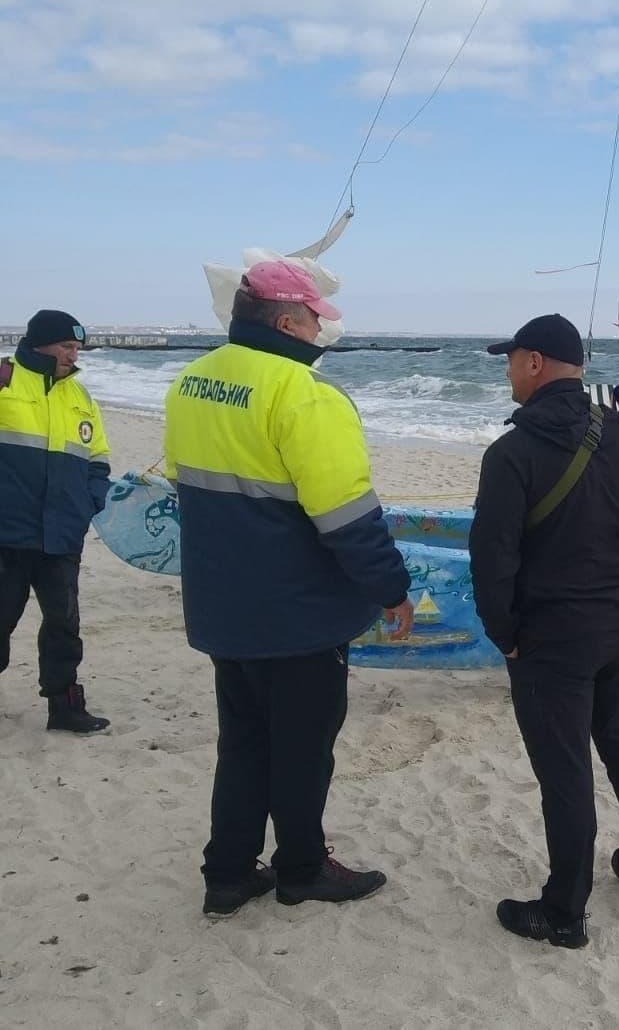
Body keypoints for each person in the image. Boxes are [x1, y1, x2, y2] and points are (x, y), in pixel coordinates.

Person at [163, 260, 415, 918]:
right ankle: (302, 868)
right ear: (285, 322)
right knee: (302, 751)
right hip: (298, 614)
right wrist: (392, 588)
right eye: (314, 321)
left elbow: (190, 488)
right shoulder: (304, 394)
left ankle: (227, 874)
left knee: (243, 743)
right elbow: (347, 515)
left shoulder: (192, 383)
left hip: (224, 605)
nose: (320, 333)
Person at [469, 313, 619, 950]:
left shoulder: (512, 452)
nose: (508, 370)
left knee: (565, 770)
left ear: (534, 362)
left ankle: (564, 911)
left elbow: (491, 558)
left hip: (553, 634)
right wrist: (617, 592)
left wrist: (505, 633)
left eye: (512, 359)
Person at [0, 309, 112, 733]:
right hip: (7, 533)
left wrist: (89, 503)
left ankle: (64, 707)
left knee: (64, 627)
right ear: (41, 343)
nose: (73, 354)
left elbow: (98, 459)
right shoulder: (4, 380)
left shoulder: (81, 397)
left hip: (61, 535)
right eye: (67, 346)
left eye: (77, 347)